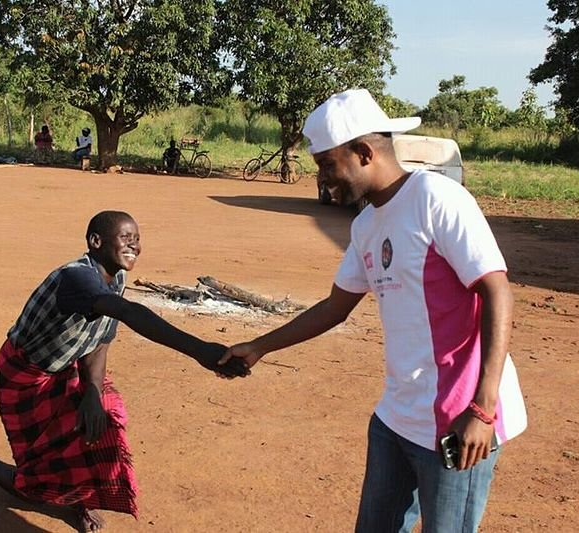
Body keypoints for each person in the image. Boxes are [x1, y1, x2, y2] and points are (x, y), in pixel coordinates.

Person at [219, 89, 527, 532]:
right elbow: (334, 307)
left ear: (364, 152)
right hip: (397, 417)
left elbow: (496, 292)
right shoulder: (366, 225)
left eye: (327, 164)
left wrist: (483, 408)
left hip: (457, 417)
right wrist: (259, 347)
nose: (323, 179)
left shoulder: (436, 198)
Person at [0, 210, 248, 532]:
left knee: (102, 421)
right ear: (96, 241)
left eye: (137, 239)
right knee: (34, 483)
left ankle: (80, 499)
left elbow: (100, 340)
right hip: (24, 376)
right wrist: (199, 350)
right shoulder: (77, 279)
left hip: (68, 367)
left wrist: (92, 391)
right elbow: (127, 312)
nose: (135, 246)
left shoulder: (116, 279)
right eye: (126, 238)